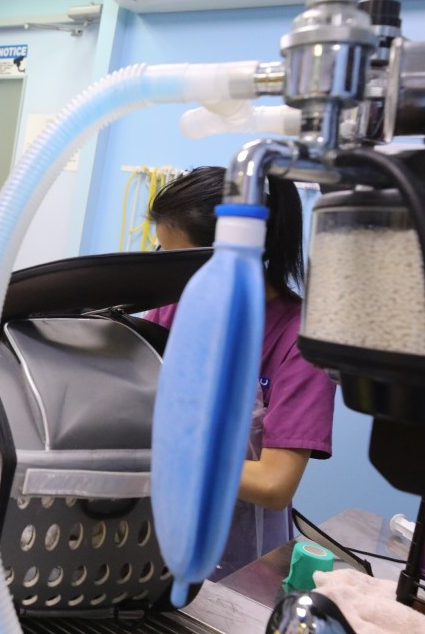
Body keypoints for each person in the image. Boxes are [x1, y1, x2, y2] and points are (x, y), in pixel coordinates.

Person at [146, 166, 336, 579]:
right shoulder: (170, 309)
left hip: (240, 557)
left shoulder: (300, 339)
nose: (170, 277)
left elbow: (273, 484)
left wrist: (165, 456)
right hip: (157, 532)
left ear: (237, 253)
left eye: (181, 263)